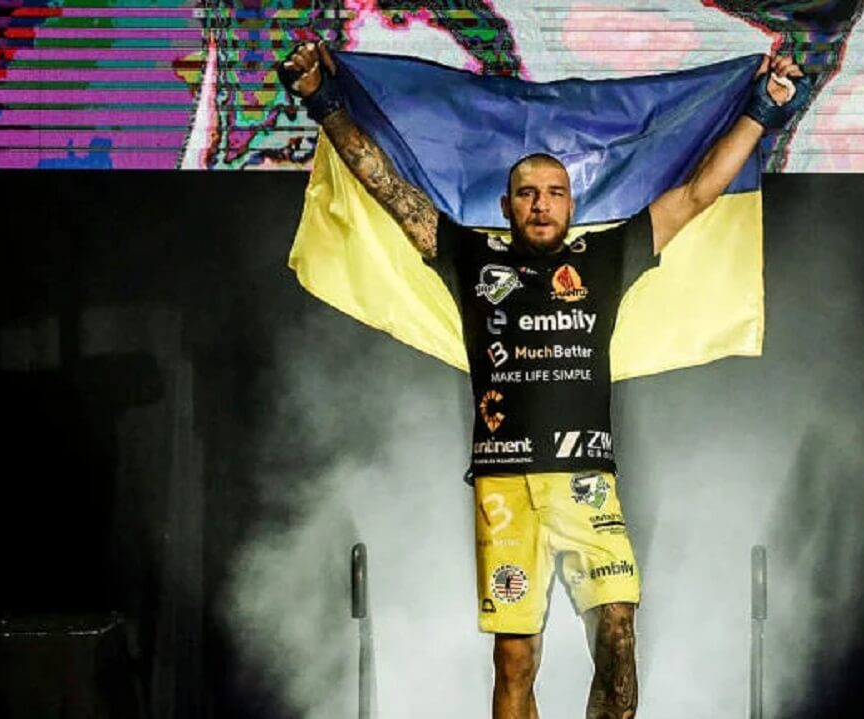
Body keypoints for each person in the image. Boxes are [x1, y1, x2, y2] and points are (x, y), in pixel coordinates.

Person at [278, 41, 807, 719]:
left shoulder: (606, 255)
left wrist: (763, 108)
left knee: (617, 629)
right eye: (527, 193)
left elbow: (698, 192)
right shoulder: (470, 256)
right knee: (516, 658)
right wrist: (323, 100)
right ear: (506, 205)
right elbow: (388, 189)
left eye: (555, 193)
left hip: (587, 482)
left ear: (571, 204)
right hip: (505, 486)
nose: (541, 204)